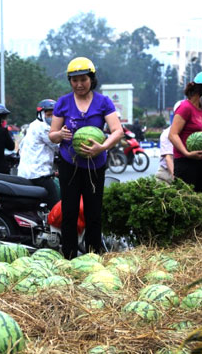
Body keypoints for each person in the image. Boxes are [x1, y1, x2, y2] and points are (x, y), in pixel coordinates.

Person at [49, 57, 124, 259]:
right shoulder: (63, 103)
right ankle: (69, 257)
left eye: (83, 79)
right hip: (69, 164)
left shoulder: (103, 102)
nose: (79, 84)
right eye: (74, 80)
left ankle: (94, 257)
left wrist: (103, 147)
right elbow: (52, 134)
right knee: (70, 212)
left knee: (93, 213)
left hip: (95, 166)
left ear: (92, 79)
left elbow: (117, 131)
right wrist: (60, 135)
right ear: (70, 81)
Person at [168, 71, 202, 197]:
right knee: (186, 202)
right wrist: (187, 153)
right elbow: (173, 134)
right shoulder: (185, 108)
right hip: (185, 163)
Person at [17, 99, 59, 209]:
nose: (52, 117)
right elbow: (57, 145)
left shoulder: (33, 125)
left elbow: (21, 146)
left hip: (25, 173)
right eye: (49, 114)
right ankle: (55, 225)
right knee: (55, 204)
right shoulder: (43, 127)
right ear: (41, 114)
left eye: (54, 114)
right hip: (38, 173)